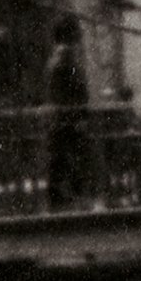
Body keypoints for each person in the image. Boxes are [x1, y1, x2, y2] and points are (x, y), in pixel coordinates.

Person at [42, 14, 94, 208]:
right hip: (68, 120)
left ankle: (59, 198)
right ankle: (70, 197)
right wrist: (80, 115)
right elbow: (74, 89)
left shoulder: (57, 59)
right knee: (71, 158)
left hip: (61, 119)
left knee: (60, 160)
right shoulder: (66, 59)